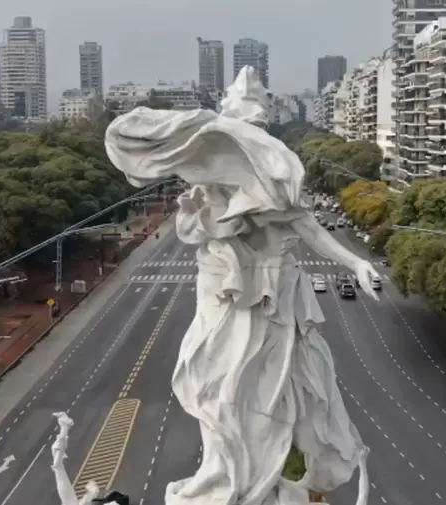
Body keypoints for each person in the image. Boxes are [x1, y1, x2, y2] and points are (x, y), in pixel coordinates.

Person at [104, 65, 373, 505]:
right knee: (214, 385)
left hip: (271, 299)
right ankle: (226, 476)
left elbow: (308, 228)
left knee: (264, 392)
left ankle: (253, 481)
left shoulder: (274, 185)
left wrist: (356, 262)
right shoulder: (206, 187)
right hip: (222, 293)